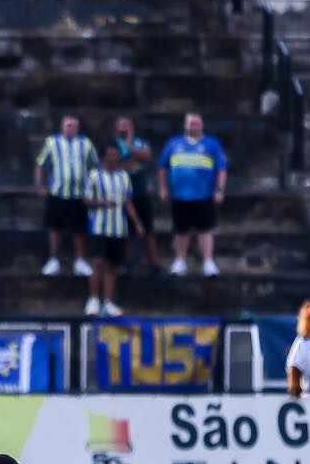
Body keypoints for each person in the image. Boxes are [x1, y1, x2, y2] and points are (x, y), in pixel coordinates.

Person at [159, 112, 227, 277]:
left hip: (204, 196)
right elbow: (163, 167)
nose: (193, 126)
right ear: (185, 125)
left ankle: (208, 262)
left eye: (196, 123)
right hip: (180, 196)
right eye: (190, 123)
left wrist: (219, 190)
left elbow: (221, 169)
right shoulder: (173, 144)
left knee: (205, 230)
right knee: (181, 230)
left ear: (202, 125)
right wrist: (163, 188)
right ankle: (180, 261)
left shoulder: (212, 144)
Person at [83, 144, 144, 317]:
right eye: (110, 154)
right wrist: (102, 203)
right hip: (98, 226)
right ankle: (93, 299)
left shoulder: (124, 177)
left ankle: (108, 302)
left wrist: (137, 222)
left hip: (119, 228)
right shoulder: (94, 176)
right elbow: (86, 200)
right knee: (98, 263)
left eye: (116, 155)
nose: (113, 158)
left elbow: (128, 201)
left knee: (112, 266)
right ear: (104, 156)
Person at [34, 115, 97, 277]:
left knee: (80, 229)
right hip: (57, 192)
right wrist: (40, 185)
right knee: (55, 228)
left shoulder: (86, 143)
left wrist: (94, 189)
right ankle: (54, 260)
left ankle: (80, 261)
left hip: (79, 194)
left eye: (73, 125)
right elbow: (40, 164)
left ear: (78, 127)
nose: (70, 128)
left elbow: (95, 166)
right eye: (68, 125)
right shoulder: (52, 143)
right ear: (62, 126)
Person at [116, 116, 162, 276]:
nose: (124, 128)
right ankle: (126, 263)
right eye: (121, 125)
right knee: (125, 231)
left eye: (126, 125)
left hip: (140, 192)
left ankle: (154, 264)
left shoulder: (139, 142)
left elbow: (146, 156)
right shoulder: (113, 144)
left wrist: (129, 144)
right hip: (121, 193)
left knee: (148, 230)